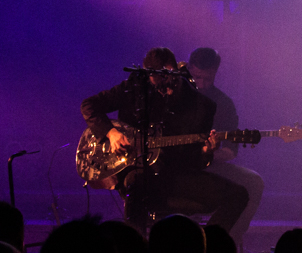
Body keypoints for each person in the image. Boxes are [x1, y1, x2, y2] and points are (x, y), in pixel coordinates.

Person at [82, 47, 248, 233]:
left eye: (171, 81)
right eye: (159, 85)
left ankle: (207, 245)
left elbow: (196, 162)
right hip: (137, 172)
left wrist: (206, 151)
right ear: (147, 75)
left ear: (176, 71)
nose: (167, 90)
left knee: (239, 195)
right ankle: (135, 245)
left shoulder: (202, 106)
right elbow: (89, 106)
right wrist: (111, 133)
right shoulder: (134, 89)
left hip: (177, 175)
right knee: (136, 183)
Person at [187, 47, 266, 253]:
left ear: (215, 72)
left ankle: (222, 241)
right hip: (173, 167)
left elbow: (231, 152)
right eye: (196, 77)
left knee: (253, 182)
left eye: (207, 78)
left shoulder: (223, 104)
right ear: (188, 68)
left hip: (206, 167)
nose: (201, 84)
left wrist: (211, 152)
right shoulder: (176, 95)